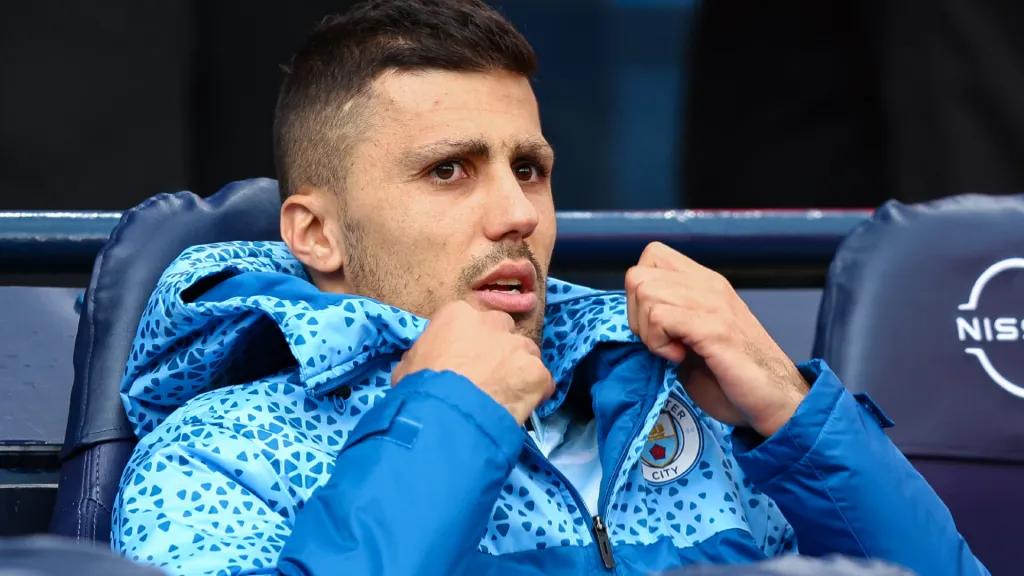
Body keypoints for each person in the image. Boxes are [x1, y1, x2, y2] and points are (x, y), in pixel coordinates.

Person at [112, 1, 987, 575]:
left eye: (529, 169)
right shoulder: (221, 449)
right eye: (449, 170)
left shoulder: (680, 406)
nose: (515, 214)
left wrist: (791, 415)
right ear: (317, 233)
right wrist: (448, 417)